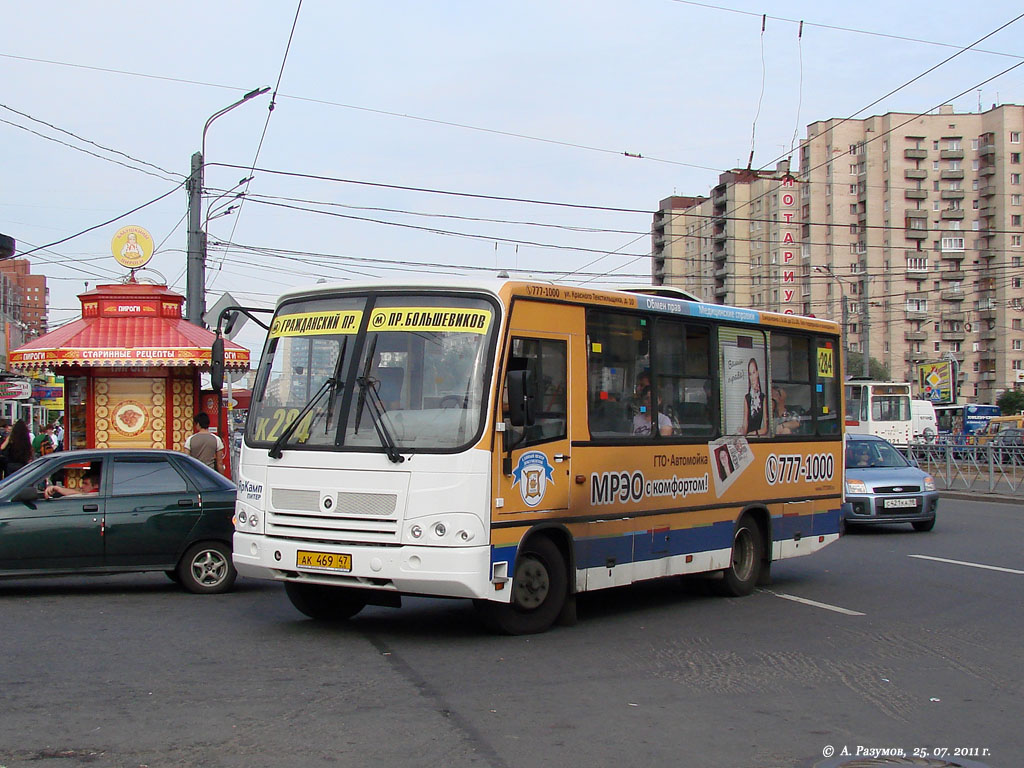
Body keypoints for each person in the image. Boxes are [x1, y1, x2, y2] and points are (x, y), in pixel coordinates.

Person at [740, 357, 768, 437]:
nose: (752, 377)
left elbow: (766, 428)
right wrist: (742, 433)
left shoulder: (763, 398)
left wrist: (754, 433)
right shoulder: (747, 398)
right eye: (750, 374)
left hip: (757, 437)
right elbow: (745, 424)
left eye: (754, 372)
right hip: (748, 438)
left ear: (757, 373)